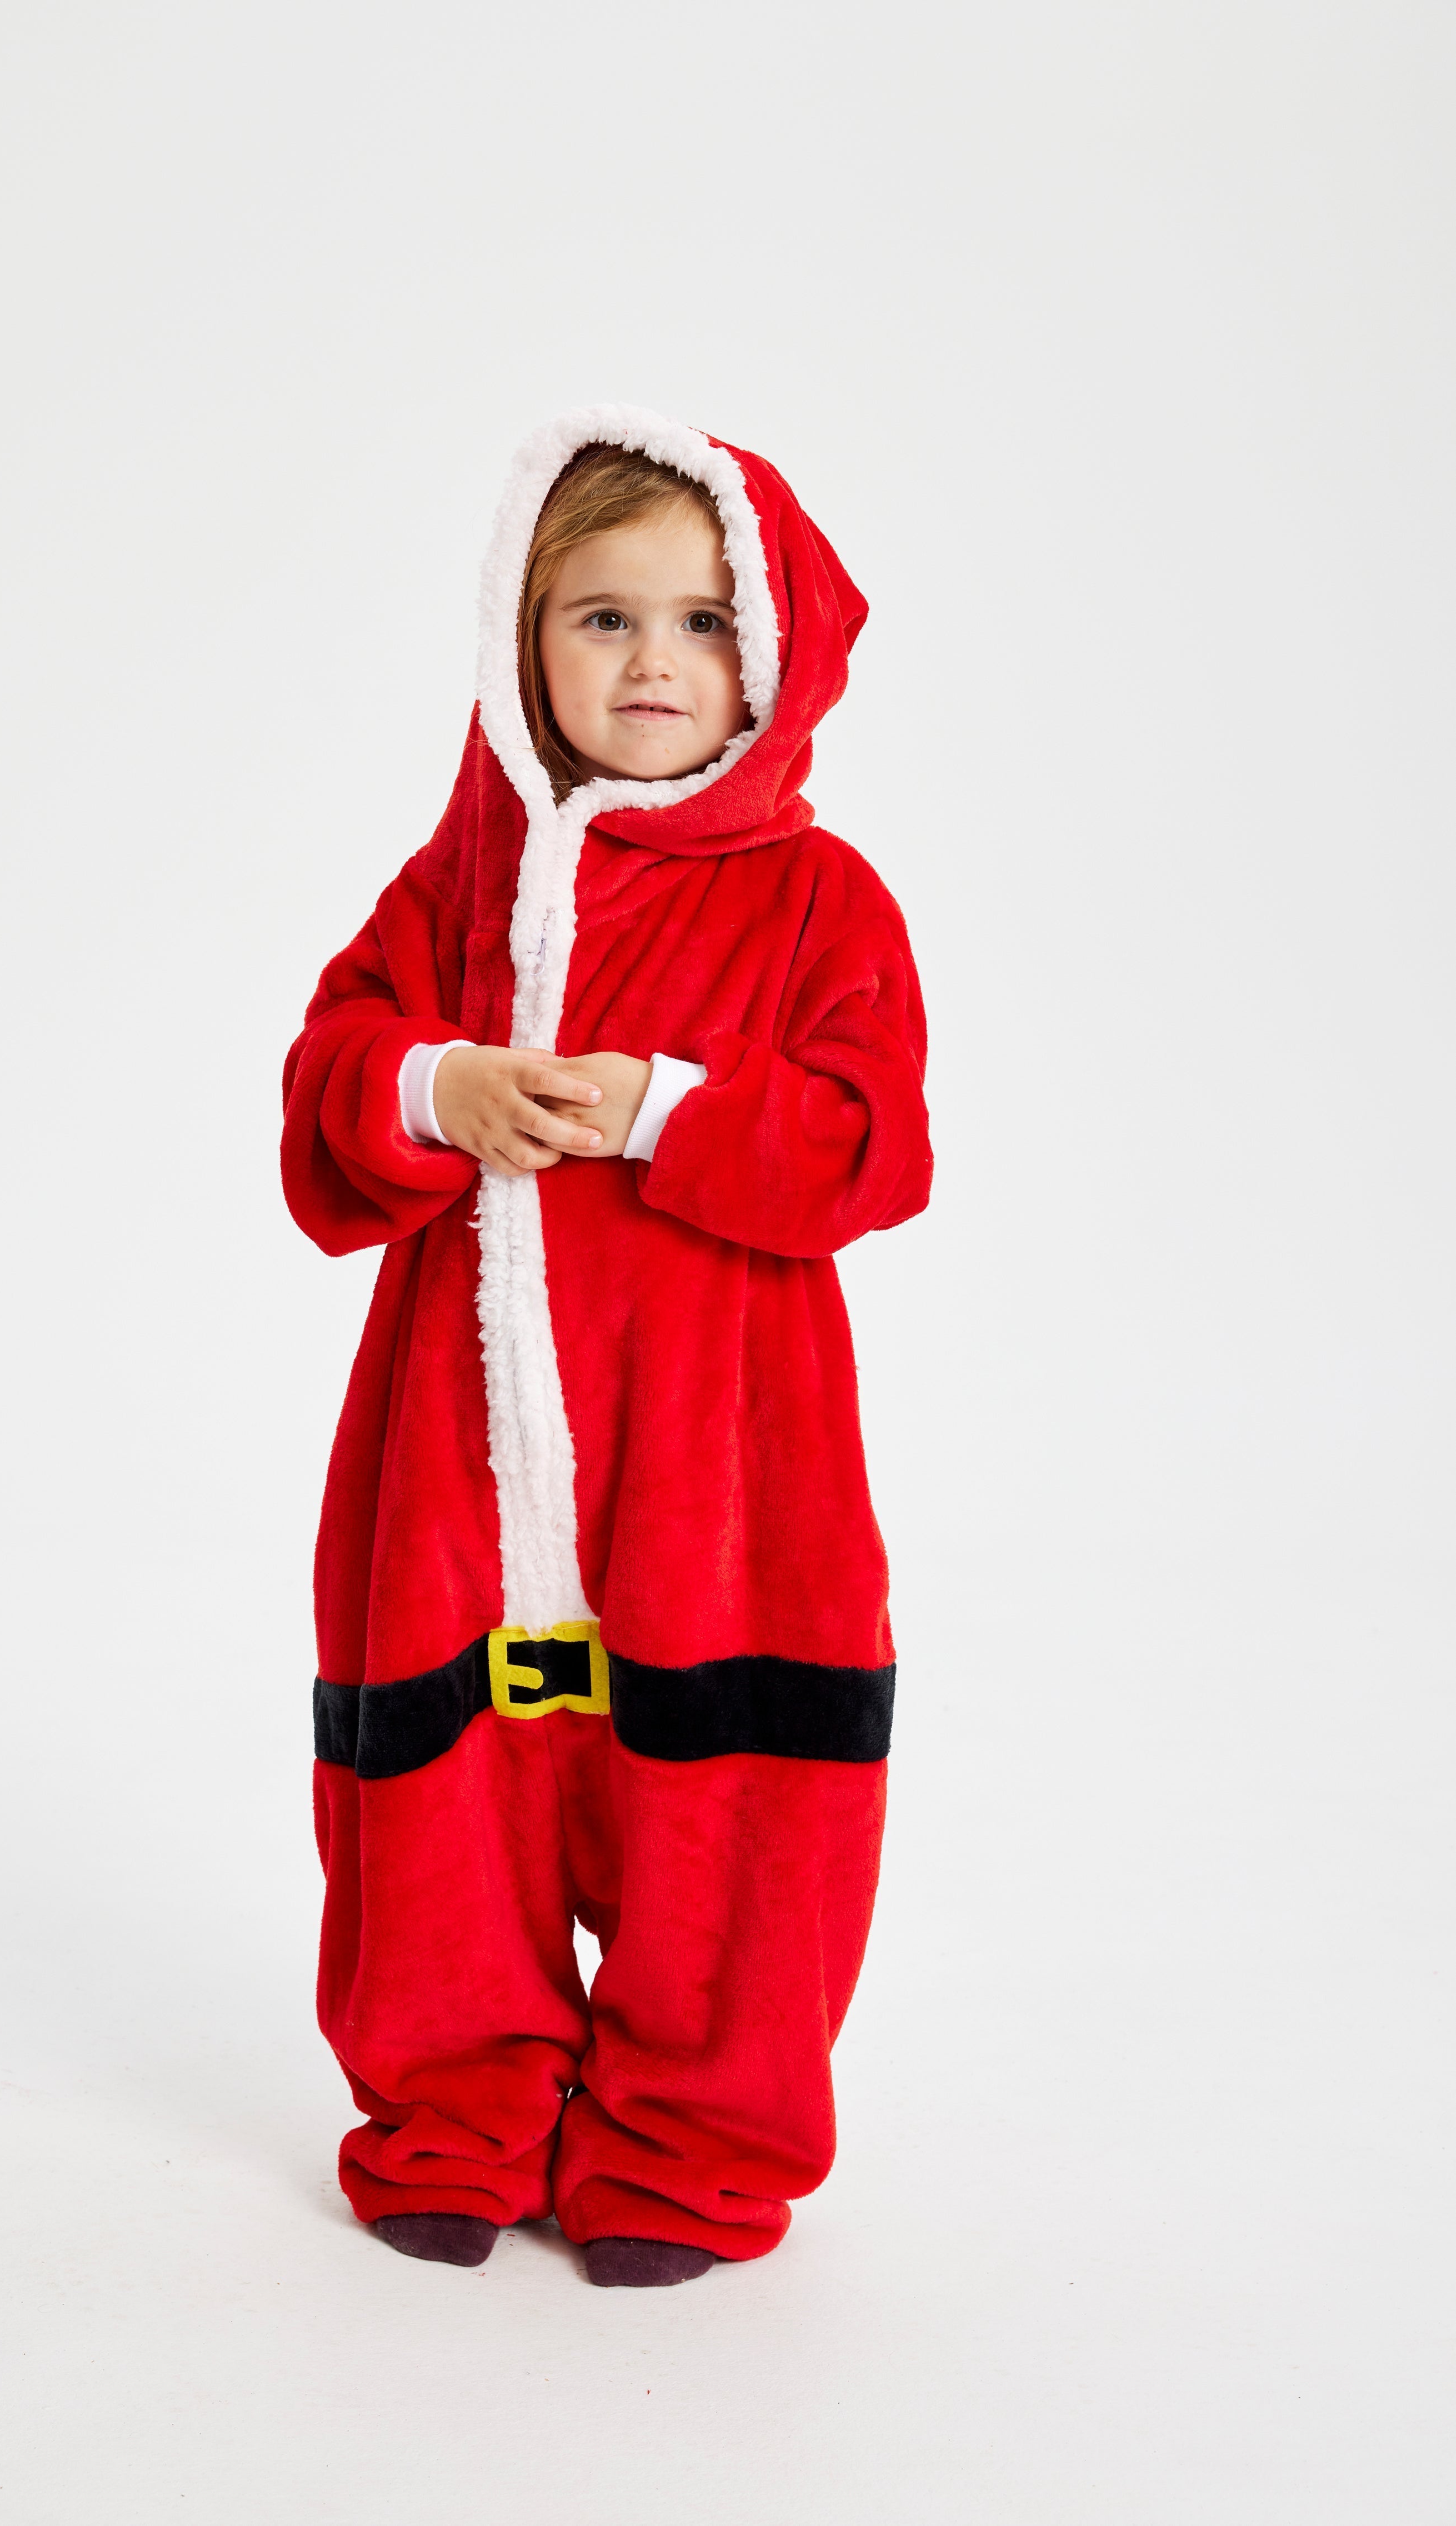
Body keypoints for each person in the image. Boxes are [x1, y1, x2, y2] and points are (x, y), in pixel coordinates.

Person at [281, 406, 933, 2288]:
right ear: (524, 632)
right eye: (603, 616)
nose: (655, 660)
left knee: (727, 1799)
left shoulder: (817, 898)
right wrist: (438, 1085)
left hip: (721, 1455)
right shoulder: (455, 889)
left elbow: (872, 1147)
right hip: (460, 1452)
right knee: (448, 1783)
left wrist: (662, 1108)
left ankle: (690, 2134)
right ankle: (454, 2104)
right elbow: (327, 1086)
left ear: (775, 651)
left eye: (706, 620)